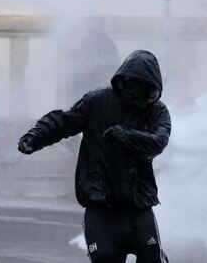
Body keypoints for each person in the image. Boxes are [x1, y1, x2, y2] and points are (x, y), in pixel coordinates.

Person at [17, 50, 170, 263]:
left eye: (148, 92)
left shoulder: (157, 111)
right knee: (105, 257)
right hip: (100, 204)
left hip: (138, 205)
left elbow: (159, 141)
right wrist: (36, 137)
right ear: (126, 82)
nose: (142, 98)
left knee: (151, 258)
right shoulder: (96, 101)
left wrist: (126, 135)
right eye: (137, 88)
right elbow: (64, 122)